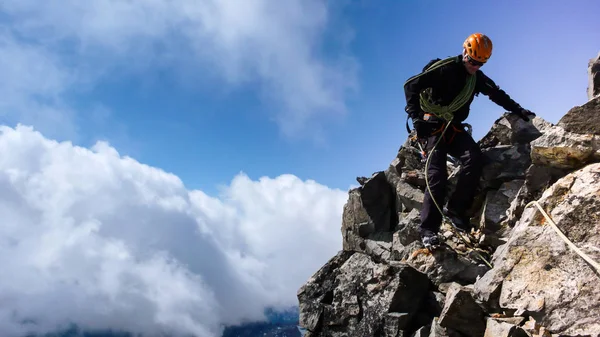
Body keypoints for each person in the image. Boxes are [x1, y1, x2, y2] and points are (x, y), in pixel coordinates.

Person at [403, 32, 536, 248]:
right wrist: (417, 118)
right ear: (465, 51)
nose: (475, 66)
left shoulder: (476, 79)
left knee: (475, 159)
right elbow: (410, 86)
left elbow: (497, 94)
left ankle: (455, 210)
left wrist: (518, 109)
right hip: (433, 126)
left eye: (480, 64)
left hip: (453, 128)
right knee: (436, 175)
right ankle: (428, 230)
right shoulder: (444, 67)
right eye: (473, 61)